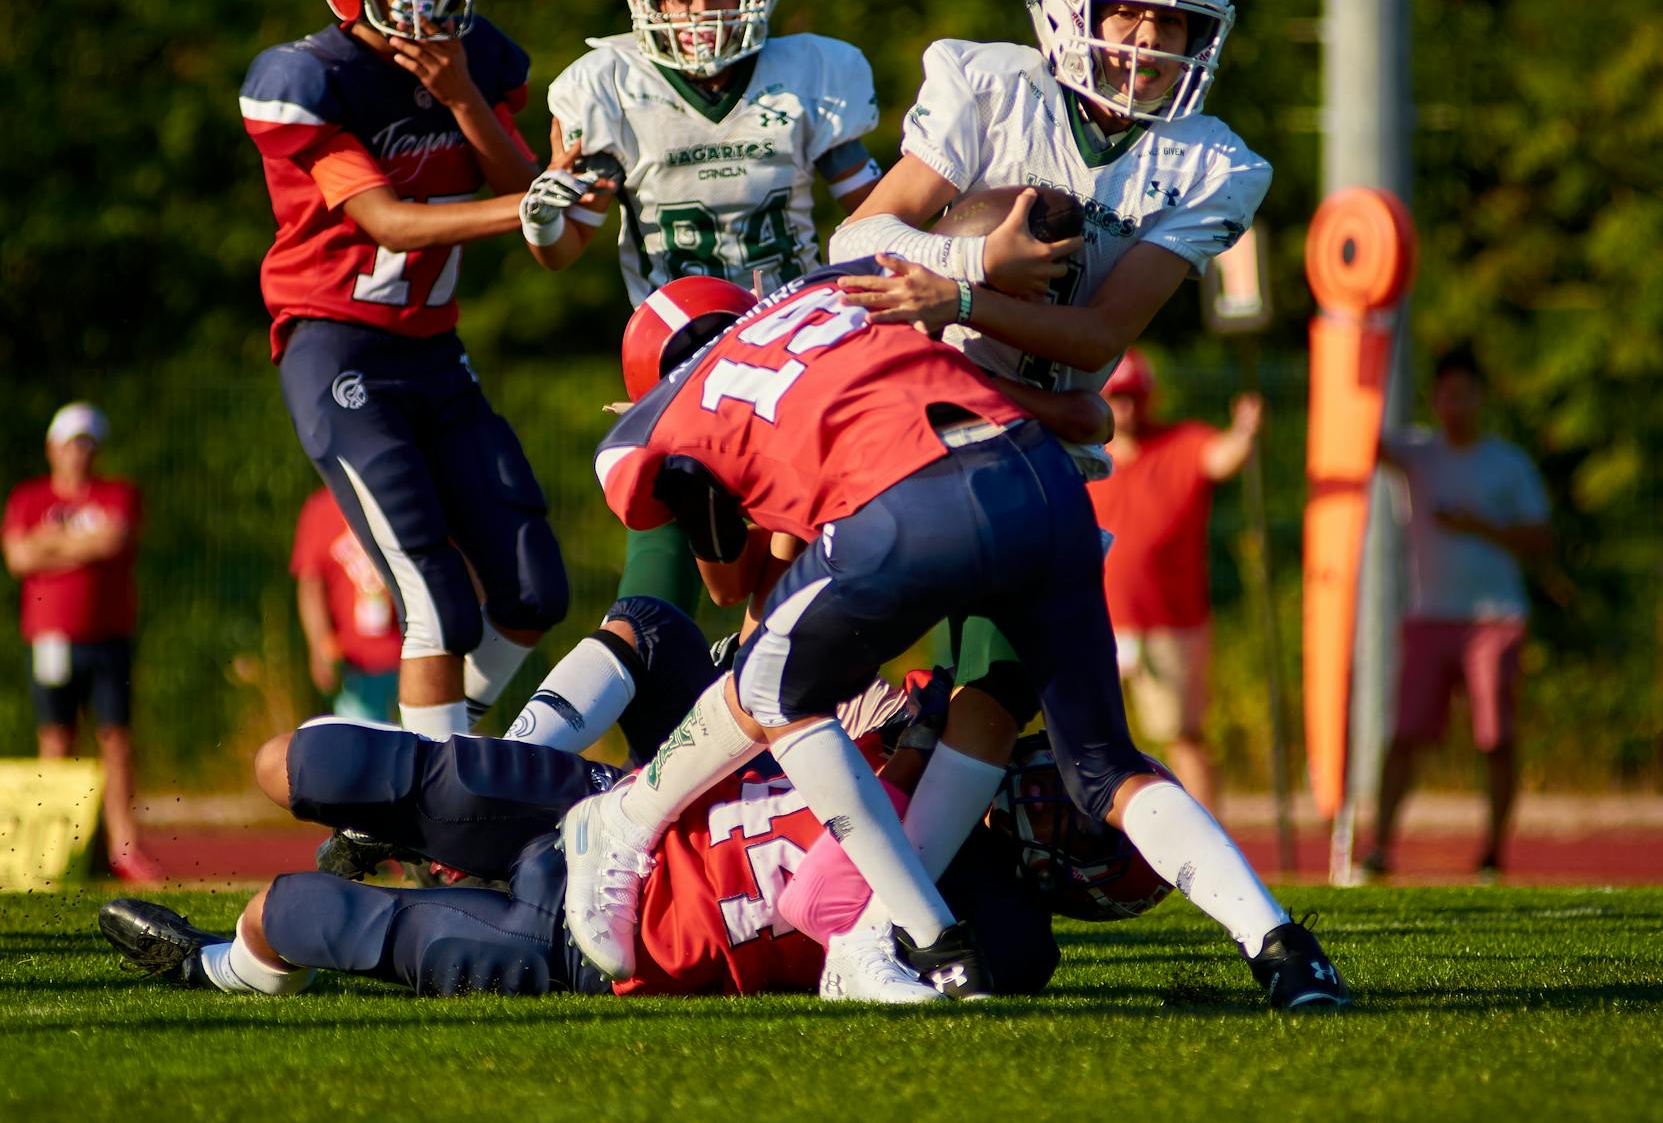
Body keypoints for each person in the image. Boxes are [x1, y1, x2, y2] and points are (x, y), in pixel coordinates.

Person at [564, 268, 1347, 1007]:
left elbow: (725, 581)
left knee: (771, 689)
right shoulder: (833, 287)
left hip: (911, 506)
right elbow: (1083, 413)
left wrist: (667, 436)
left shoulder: (660, 412)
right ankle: (1281, 949)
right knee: (1102, 767)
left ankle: (644, 831)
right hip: (1043, 488)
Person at [825, 0, 1273, 825]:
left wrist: (954, 297)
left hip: (1033, 447)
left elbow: (1102, 333)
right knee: (808, 648)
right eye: (1126, 12)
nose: (1150, 40)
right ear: (1072, 7)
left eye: (1174, 20)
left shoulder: (1210, 163)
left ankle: (901, 909)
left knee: (996, 690)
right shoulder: (990, 85)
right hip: (909, 432)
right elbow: (855, 238)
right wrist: (977, 265)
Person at [94, 619, 1056, 1003]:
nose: (1041, 806)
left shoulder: (980, 921)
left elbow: (820, 907)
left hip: (592, 944)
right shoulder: (927, 717)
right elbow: (979, 689)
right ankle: (400, 818)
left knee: (288, 916)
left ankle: (210, 970)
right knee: (298, 758)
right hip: (594, 811)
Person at [502, 0, 885, 751]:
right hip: (677, 374)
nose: (698, 9)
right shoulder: (612, 89)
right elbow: (566, 249)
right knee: (649, 600)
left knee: (801, 592)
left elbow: (875, 214)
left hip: (798, 361)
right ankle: (521, 764)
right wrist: (543, 219)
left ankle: (753, 773)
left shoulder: (808, 77)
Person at [239, 0, 567, 738]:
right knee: (436, 598)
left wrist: (461, 95)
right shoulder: (312, 78)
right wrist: (527, 207)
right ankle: (432, 820)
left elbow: (517, 175)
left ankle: (418, 781)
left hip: (433, 350)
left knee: (533, 590)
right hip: (341, 348)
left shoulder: (483, 57)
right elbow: (387, 221)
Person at [1362, 346, 1552, 880]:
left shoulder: (1507, 463)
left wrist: (1478, 525)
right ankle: (1380, 846)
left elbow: (1541, 537)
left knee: (1495, 736)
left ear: (1481, 397)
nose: (1456, 405)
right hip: (1429, 617)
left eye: (1465, 394)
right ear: (1436, 399)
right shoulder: (1420, 453)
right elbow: (1360, 440)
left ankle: (1494, 849)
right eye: (1447, 394)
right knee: (1405, 734)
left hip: (1495, 617)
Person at [1085, 350, 1263, 808]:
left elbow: (1222, 457)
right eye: (1117, 397)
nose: (1125, 408)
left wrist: (1244, 432)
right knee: (1086, 741)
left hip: (1170, 624)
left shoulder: (1182, 443)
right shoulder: (1088, 457)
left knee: (1185, 737)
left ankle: (1211, 841)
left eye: (1133, 397)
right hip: (1098, 624)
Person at [2, 402, 160, 883]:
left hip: (107, 636)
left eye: (87, 444)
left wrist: (52, 545)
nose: (79, 454)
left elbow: (113, 541)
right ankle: (64, 844)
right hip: (50, 638)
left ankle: (123, 845)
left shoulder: (117, 494)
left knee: (115, 737)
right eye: (71, 444)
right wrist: (76, 547)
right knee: (56, 738)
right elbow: (19, 556)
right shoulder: (29, 498)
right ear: (53, 449)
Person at [290, 485, 401, 722]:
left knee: (427, 748)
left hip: (417, 656)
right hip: (356, 664)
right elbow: (311, 586)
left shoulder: (401, 492)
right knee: (363, 750)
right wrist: (320, 646)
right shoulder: (321, 508)